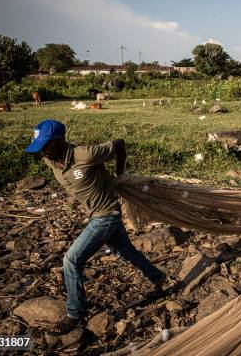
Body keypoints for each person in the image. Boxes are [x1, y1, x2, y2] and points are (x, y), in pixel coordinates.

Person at [25, 120, 165, 334]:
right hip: (98, 215)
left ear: (60, 140)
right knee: (125, 251)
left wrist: (120, 174)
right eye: (39, 147)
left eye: (46, 146)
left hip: (105, 216)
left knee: (71, 260)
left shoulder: (86, 154)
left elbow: (119, 144)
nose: (42, 152)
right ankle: (158, 278)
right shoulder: (50, 159)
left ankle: (75, 313)